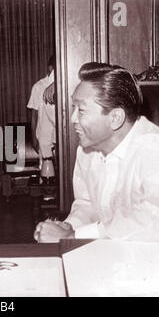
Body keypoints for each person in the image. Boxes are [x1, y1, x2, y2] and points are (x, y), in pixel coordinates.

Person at [34, 62, 159, 242]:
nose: (72, 118)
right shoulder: (87, 151)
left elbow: (152, 219)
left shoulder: (153, 150)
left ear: (115, 118)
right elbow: (87, 204)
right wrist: (69, 226)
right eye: (73, 108)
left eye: (81, 110)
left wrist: (73, 236)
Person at [27, 55, 56, 159]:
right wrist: (34, 139)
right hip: (44, 138)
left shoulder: (64, 86)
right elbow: (34, 115)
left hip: (61, 138)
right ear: (51, 68)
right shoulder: (38, 87)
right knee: (46, 170)